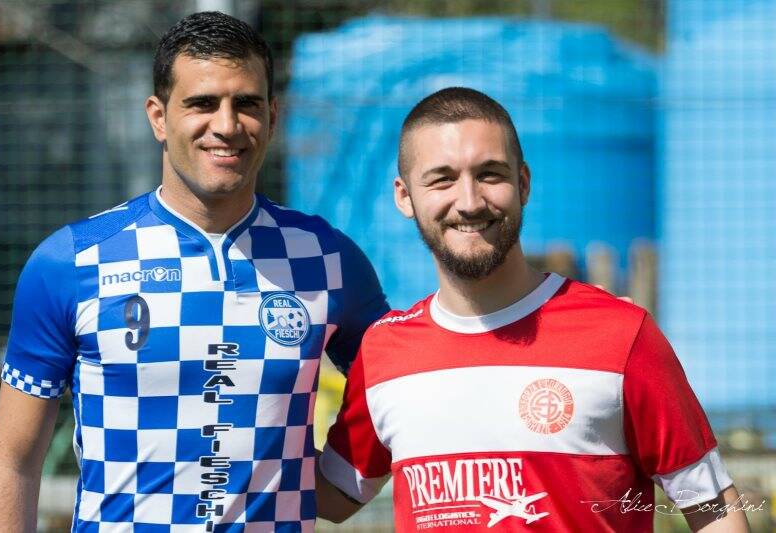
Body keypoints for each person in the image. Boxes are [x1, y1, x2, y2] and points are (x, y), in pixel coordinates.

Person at [0, 11, 388, 532]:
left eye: (247, 104)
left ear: (274, 115)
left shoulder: (329, 259)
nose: (227, 125)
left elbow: (396, 382)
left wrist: (342, 485)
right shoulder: (72, 262)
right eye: (201, 103)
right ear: (157, 116)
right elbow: (13, 464)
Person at [315, 87, 749, 532]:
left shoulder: (620, 334)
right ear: (404, 197)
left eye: (489, 174)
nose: (468, 201)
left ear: (523, 183)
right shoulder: (385, 351)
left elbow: (713, 508)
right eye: (442, 178)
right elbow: (331, 497)